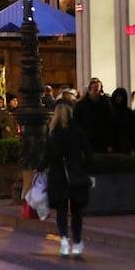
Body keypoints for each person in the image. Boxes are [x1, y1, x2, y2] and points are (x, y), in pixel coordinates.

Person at [41, 100, 91, 258]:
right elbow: (88, 153)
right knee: (77, 211)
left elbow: (47, 156)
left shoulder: (53, 133)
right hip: (75, 173)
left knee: (61, 210)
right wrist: (84, 167)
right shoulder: (78, 131)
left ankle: (63, 240)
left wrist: (39, 168)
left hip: (58, 174)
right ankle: (76, 243)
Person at [75, 78, 111, 152]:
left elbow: (108, 122)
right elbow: (76, 122)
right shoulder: (81, 105)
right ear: (89, 90)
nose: (97, 93)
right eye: (95, 90)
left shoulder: (105, 104)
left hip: (101, 140)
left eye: (99, 90)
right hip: (86, 139)